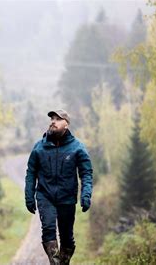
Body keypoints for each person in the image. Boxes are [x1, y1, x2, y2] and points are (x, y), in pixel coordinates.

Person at [24, 109, 93, 265]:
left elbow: (86, 173)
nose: (53, 121)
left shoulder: (77, 147)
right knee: (48, 229)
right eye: (52, 119)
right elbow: (31, 173)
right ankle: (55, 263)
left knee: (67, 236)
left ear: (66, 124)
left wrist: (86, 194)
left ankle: (64, 262)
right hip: (45, 196)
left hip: (67, 198)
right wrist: (29, 196)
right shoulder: (39, 147)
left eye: (57, 119)